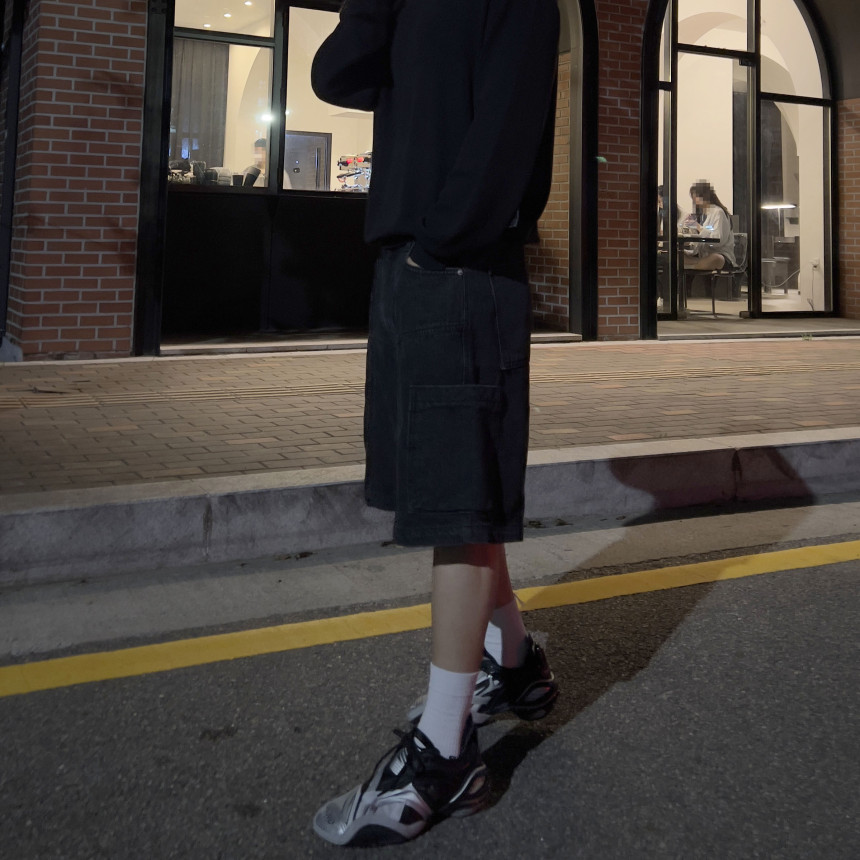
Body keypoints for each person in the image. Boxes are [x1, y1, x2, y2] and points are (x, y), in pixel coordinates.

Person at [309, 0, 560, 846]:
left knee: (457, 499)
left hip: (458, 265)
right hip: (409, 265)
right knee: (454, 489)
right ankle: (513, 662)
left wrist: (443, 242)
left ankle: (446, 755)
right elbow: (336, 73)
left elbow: (507, 138)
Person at [682, 180, 736, 270]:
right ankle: (697, 265)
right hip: (702, 255)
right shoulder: (702, 214)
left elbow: (718, 240)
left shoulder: (718, 212)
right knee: (676, 254)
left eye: (696, 196)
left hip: (720, 254)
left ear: (705, 196)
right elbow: (698, 241)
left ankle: (693, 266)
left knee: (715, 258)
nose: (694, 200)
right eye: (693, 197)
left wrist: (697, 226)